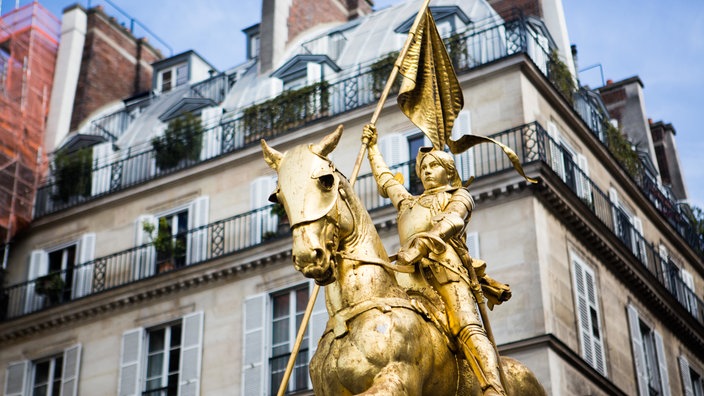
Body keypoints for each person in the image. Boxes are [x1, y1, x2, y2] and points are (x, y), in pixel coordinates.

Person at [363, 124, 506, 396]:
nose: (427, 171)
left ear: (448, 172)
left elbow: (452, 221)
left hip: (445, 269)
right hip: (407, 275)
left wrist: (420, 246)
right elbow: (386, 180)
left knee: (466, 326)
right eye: (423, 168)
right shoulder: (408, 203)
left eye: (433, 166)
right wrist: (372, 148)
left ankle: (493, 388)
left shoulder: (458, 195)